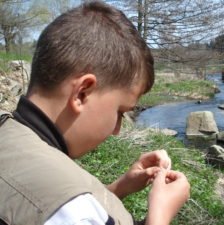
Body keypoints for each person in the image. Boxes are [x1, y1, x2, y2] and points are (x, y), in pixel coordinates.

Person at [0, 1, 190, 225]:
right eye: (120, 112)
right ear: (82, 93)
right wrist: (160, 216)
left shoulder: (8, 131)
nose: (117, 130)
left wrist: (119, 188)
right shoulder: (71, 211)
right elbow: (70, 213)